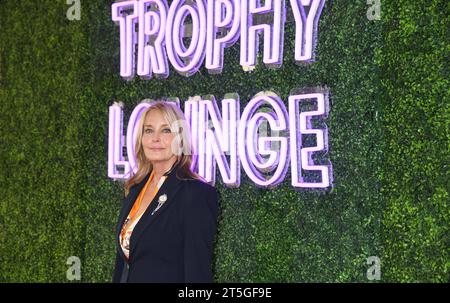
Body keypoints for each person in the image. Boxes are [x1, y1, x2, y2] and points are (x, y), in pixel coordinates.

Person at [112, 101, 219, 283]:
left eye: (166, 130)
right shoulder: (134, 189)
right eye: (149, 130)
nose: (155, 138)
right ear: (141, 138)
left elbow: (197, 273)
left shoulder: (195, 194)